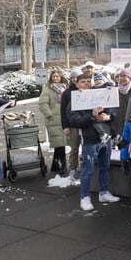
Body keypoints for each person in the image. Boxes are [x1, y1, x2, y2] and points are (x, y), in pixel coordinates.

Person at [66, 73, 120, 211]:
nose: (86, 84)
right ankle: (84, 197)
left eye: (88, 82)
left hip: (105, 138)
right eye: (82, 82)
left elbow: (112, 112)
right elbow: (75, 121)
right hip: (89, 140)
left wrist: (108, 116)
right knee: (88, 170)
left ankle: (103, 192)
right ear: (76, 84)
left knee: (105, 166)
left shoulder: (98, 95)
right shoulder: (74, 102)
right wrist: (92, 115)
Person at [38, 69, 69, 176]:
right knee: (60, 143)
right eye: (53, 77)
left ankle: (55, 165)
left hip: (64, 118)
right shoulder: (47, 89)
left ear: (61, 77)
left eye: (57, 76)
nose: (55, 78)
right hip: (53, 120)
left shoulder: (65, 87)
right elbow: (42, 104)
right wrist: (49, 114)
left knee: (59, 142)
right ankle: (64, 166)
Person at [60, 70, 83, 179]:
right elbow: (63, 110)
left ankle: (85, 167)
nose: (74, 79)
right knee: (74, 148)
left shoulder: (87, 90)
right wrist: (65, 126)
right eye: (72, 77)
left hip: (85, 123)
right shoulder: (67, 93)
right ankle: (73, 169)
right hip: (72, 124)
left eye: (76, 77)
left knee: (87, 147)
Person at [112, 68, 131, 137]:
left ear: (130, 78)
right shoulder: (116, 89)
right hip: (119, 120)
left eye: (125, 76)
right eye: (120, 76)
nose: (122, 78)